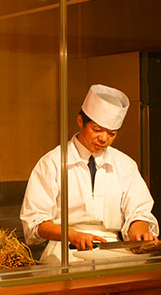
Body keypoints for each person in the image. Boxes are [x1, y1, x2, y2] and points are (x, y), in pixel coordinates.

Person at [20, 84, 158, 263]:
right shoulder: (52, 162)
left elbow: (138, 213)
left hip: (115, 252)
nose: (104, 139)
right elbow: (34, 222)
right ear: (80, 121)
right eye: (97, 129)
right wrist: (71, 234)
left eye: (111, 133)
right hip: (64, 251)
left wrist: (139, 234)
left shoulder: (125, 165)